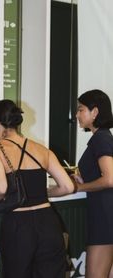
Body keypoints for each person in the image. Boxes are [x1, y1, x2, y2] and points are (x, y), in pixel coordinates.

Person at [0, 99, 74, 278]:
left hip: (18, 226)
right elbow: (68, 186)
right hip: (49, 224)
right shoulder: (41, 149)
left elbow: (0, 188)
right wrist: (42, 193)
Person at [72, 89, 113, 278]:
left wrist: (79, 187)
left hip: (104, 216)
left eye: (81, 110)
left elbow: (109, 179)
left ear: (94, 112)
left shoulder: (101, 138)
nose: (77, 114)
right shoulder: (102, 137)